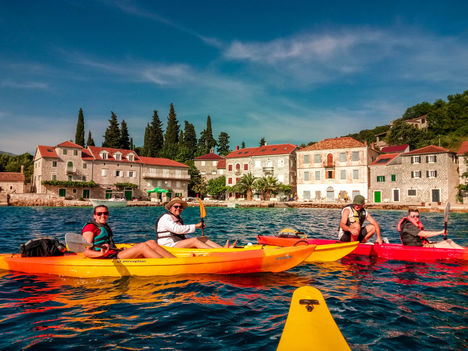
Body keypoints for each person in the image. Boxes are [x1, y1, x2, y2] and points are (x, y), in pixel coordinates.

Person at [82, 205, 175, 259]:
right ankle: (167, 264)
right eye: (99, 213)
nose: (103, 215)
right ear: (94, 216)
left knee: (151, 242)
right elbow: (85, 251)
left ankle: (174, 260)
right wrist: (100, 254)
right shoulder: (90, 227)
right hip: (107, 257)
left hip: (113, 253)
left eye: (105, 213)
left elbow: (107, 244)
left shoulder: (103, 226)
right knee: (142, 247)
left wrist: (119, 249)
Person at [155, 197, 236, 248]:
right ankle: (219, 253)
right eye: (176, 206)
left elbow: (182, 234)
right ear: (170, 208)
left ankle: (222, 249)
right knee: (195, 241)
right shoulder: (165, 217)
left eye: (180, 207)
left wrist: (197, 238)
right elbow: (177, 229)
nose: (178, 208)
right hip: (168, 246)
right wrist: (196, 226)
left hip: (177, 243)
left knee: (202, 238)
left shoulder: (178, 218)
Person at [398, 208, 464, 249]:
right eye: (413, 216)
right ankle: (462, 254)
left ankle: (463, 251)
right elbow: (424, 234)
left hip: (421, 244)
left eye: (417, 216)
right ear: (408, 216)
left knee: (449, 241)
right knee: (446, 244)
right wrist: (441, 232)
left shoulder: (415, 224)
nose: (415, 218)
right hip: (416, 248)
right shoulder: (408, 225)